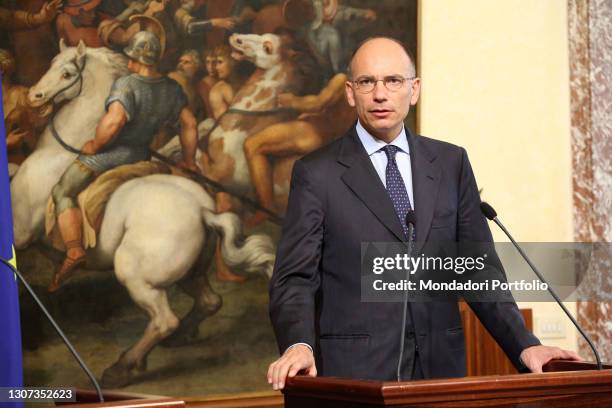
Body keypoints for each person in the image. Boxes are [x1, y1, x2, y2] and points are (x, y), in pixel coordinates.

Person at [267, 37, 582, 389]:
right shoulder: (317, 173)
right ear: (350, 93)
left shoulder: (451, 164)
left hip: (439, 372)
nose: (380, 94)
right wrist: (298, 343)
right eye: (367, 82)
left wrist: (525, 345)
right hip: (354, 376)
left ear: (413, 90)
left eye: (393, 81)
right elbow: (294, 277)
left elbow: (478, 270)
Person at [48, 31, 198, 292]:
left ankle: (73, 251)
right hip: (142, 155)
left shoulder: (127, 84)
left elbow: (114, 121)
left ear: (135, 58)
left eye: (130, 56)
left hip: (110, 156)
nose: (128, 62)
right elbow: (190, 123)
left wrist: (94, 145)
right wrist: (189, 160)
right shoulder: (172, 88)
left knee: (62, 190)